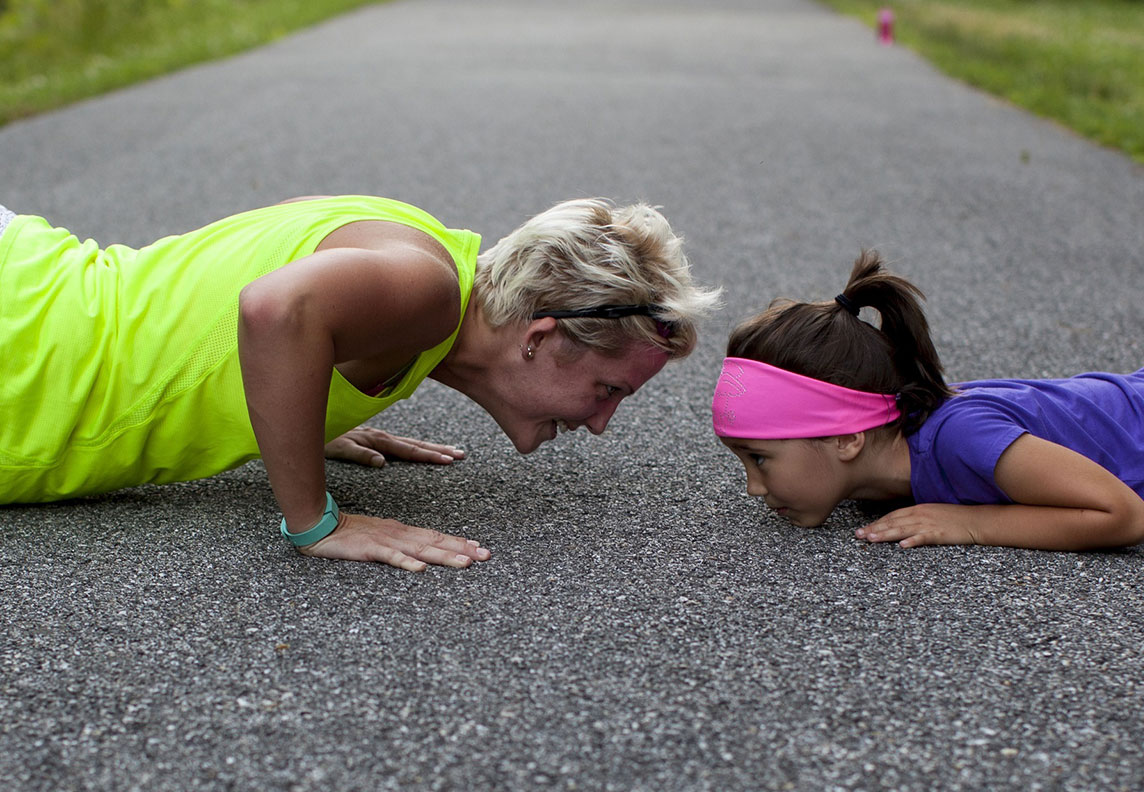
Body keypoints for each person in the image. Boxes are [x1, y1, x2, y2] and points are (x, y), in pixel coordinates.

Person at [0, 195, 720, 570]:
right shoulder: (428, 290)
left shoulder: (426, 262)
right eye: (608, 390)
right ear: (541, 338)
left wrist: (299, 407)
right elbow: (274, 307)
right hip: (23, 350)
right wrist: (317, 521)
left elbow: (239, 297)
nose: (601, 423)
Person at [712, 251, 1144, 551]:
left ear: (846, 437)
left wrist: (972, 524)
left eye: (760, 459)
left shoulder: (960, 437)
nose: (754, 487)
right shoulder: (885, 469)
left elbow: (1123, 515)